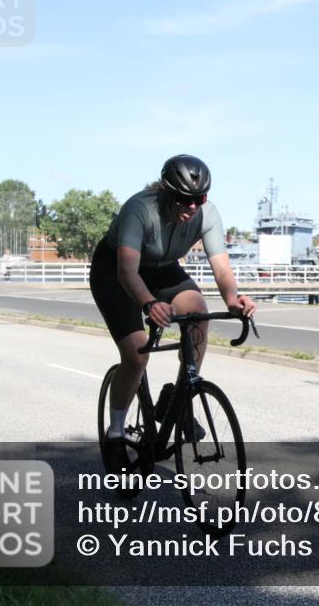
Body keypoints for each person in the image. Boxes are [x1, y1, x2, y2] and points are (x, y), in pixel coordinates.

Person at [90, 154, 256, 472]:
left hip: (162, 269)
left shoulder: (206, 214)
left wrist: (233, 300)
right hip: (115, 271)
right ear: (166, 192)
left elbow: (221, 267)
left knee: (197, 314)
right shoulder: (139, 209)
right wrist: (150, 304)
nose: (192, 206)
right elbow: (127, 272)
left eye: (199, 198)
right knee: (137, 354)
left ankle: (175, 401)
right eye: (184, 199)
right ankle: (115, 433)